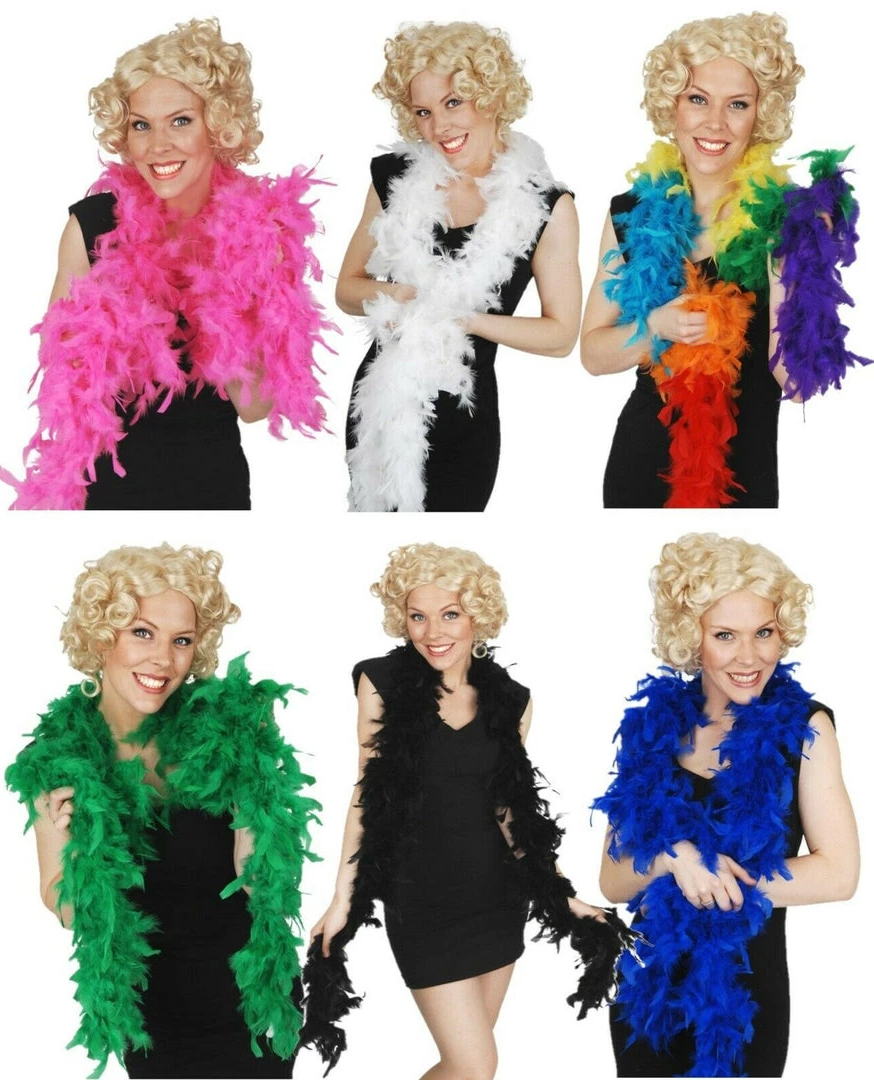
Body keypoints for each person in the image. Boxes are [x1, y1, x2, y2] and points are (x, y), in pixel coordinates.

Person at [300, 543, 634, 1078]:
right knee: (474, 1065)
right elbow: (368, 790)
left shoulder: (512, 700)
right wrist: (344, 897)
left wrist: (560, 893)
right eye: (418, 616)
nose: (433, 631)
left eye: (450, 614)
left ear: (478, 615)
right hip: (422, 902)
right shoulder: (381, 683)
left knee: (468, 1068)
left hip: (497, 901)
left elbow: (511, 809)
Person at [5, 544, 318, 1078]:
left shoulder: (227, 730)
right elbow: (58, 898)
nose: (163, 660)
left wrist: (252, 812)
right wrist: (83, 861)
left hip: (254, 999)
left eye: (181, 641)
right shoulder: (58, 760)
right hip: (156, 1018)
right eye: (142, 633)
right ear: (101, 635)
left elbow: (264, 883)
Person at [0, 18, 330, 510]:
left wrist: (233, 287)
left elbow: (254, 406)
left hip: (211, 488)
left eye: (180, 121)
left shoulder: (260, 231)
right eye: (141, 125)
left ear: (217, 127)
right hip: (103, 489)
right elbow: (63, 389)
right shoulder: (92, 228)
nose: (158, 146)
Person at [593, 532, 859, 1077]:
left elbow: (839, 874)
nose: (750, 656)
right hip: (650, 994)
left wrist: (713, 877)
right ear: (691, 638)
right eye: (725, 635)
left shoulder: (806, 728)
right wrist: (675, 859)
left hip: (745, 1001)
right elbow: (613, 881)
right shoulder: (651, 731)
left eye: (764, 632)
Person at [580, 13, 866, 508]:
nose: (715, 123)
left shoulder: (787, 220)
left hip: (742, 477)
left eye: (737, 104)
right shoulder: (631, 213)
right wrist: (655, 327)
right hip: (641, 468)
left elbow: (797, 384)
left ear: (761, 113)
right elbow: (592, 354)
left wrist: (789, 264)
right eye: (698, 99)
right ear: (672, 105)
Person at [340, 22, 581, 511]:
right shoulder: (394, 179)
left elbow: (560, 336)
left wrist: (463, 319)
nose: (439, 128)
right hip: (382, 405)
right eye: (423, 112)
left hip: (464, 419)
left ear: (491, 96)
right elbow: (347, 289)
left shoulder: (546, 207)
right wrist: (404, 296)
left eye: (454, 103)